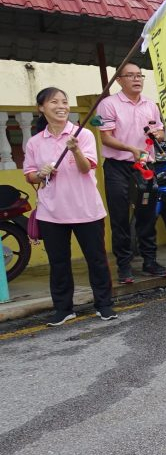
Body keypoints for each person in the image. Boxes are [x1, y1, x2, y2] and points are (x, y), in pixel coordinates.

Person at [23, 87, 116, 326]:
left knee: (96, 259)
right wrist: (40, 174)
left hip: (86, 209)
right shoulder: (34, 142)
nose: (61, 106)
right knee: (59, 262)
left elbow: (87, 169)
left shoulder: (82, 135)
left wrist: (75, 150)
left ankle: (104, 305)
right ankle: (63, 309)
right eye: (54, 102)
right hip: (51, 212)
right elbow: (30, 175)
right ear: (41, 108)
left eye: (64, 102)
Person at [95, 61, 166, 283]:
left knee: (147, 215)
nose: (137, 79)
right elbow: (106, 137)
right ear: (119, 80)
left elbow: (159, 133)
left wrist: (158, 137)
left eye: (140, 75)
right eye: (131, 76)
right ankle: (124, 266)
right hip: (118, 167)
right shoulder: (108, 105)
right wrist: (131, 149)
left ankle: (150, 261)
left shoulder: (151, 105)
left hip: (145, 166)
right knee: (119, 217)